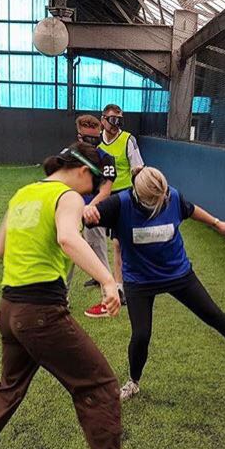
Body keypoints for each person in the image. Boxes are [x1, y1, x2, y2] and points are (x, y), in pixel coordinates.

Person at [0, 143, 156, 449]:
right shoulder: (66, 195)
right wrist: (108, 281)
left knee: (8, 389)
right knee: (100, 385)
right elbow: (68, 238)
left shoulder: (23, 194)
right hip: (41, 313)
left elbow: (0, 248)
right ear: (84, 171)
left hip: (9, 309)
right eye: (94, 184)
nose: (91, 193)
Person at [84, 166, 225, 401]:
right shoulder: (120, 204)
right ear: (138, 195)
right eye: (153, 200)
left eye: (162, 196)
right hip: (140, 280)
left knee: (214, 315)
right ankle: (133, 381)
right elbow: (85, 218)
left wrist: (217, 223)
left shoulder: (172, 196)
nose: (160, 202)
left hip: (176, 273)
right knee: (141, 335)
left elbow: (191, 210)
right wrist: (87, 211)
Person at [85, 104, 145, 318]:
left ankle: (120, 288)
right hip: (101, 196)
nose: (115, 124)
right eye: (112, 119)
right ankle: (101, 276)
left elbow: (138, 168)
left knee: (119, 244)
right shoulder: (95, 140)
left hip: (123, 197)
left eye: (119, 120)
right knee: (92, 237)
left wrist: (138, 193)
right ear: (103, 120)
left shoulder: (128, 140)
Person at [64, 114, 116, 312]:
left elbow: (106, 190)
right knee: (66, 257)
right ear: (79, 136)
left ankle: (108, 301)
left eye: (96, 138)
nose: (93, 143)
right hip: (69, 214)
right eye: (88, 139)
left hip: (94, 214)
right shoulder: (68, 156)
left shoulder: (106, 158)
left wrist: (89, 208)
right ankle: (61, 299)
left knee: (99, 255)